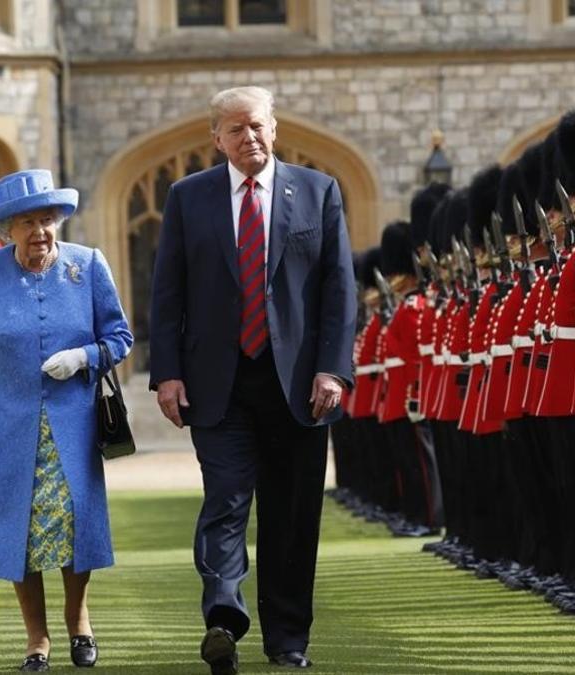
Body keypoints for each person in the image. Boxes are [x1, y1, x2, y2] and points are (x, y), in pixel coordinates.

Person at [149, 85, 356, 675]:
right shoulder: (188, 198)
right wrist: (166, 374)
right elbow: (168, 294)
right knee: (225, 504)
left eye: (258, 126)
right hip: (219, 385)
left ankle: (287, 641)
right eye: (236, 129)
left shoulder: (319, 193)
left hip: (299, 387)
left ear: (275, 128)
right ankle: (223, 617)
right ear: (216, 139)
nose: (250, 138)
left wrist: (334, 368)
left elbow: (339, 292)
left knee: (292, 517)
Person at [0, 169, 132, 672]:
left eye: (47, 220)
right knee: (19, 533)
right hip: (8, 430)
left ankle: (79, 622)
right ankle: (36, 639)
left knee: (75, 528)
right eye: (27, 222)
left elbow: (120, 337)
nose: (40, 232)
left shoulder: (88, 265)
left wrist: (84, 357)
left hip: (73, 427)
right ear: (8, 229)